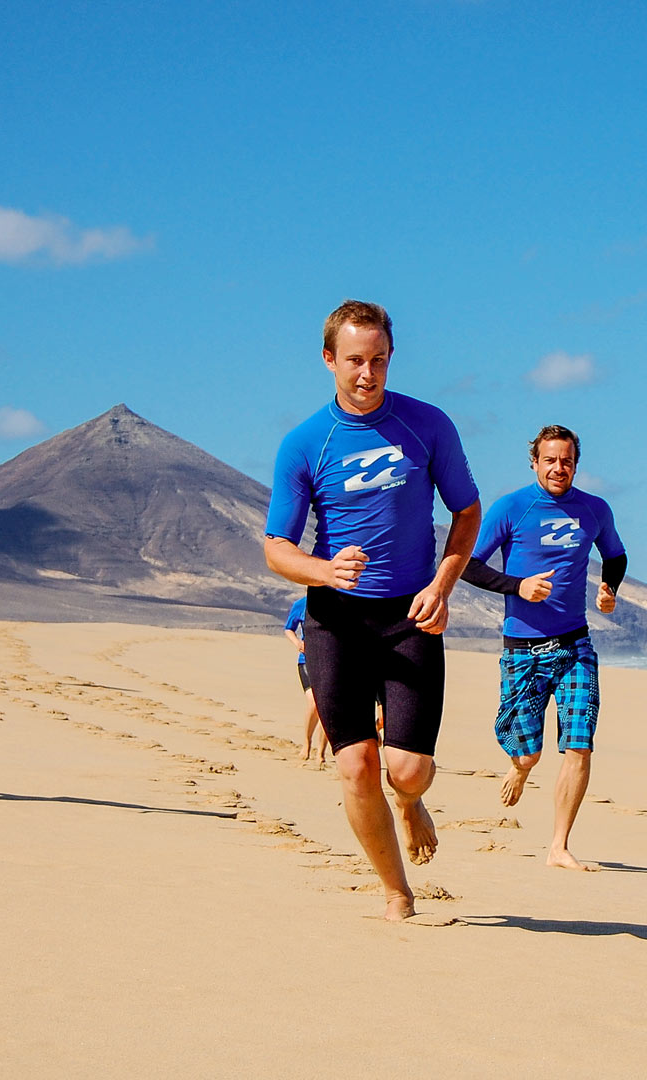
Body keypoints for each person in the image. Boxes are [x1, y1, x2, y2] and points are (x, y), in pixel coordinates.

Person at [264, 300, 481, 921]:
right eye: (355, 361)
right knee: (356, 765)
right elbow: (276, 548)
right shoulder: (304, 443)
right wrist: (324, 571)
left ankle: (410, 803)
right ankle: (396, 892)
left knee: (406, 771)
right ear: (329, 359)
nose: (368, 374)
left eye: (379, 360)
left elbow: (467, 513)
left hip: (411, 615)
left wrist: (442, 585)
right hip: (335, 620)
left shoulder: (427, 424)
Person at [462, 424, 627, 870]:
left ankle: (559, 846)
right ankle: (521, 766)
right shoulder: (511, 508)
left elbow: (615, 556)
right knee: (527, 751)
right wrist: (518, 585)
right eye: (550, 460)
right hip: (523, 649)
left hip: (575, 645)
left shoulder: (594, 509)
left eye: (567, 461)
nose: (559, 468)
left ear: (576, 465)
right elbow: (468, 566)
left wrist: (609, 588)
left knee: (579, 744)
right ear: (534, 462)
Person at [283, 596, 328, 763]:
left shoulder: (338, 601)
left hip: (330, 662)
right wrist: (297, 643)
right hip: (307, 660)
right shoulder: (301, 604)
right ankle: (307, 743)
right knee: (314, 703)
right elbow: (288, 629)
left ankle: (321, 752)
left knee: (326, 707)